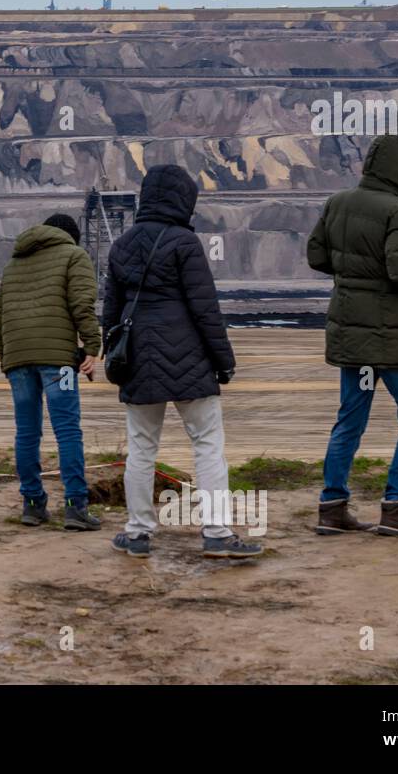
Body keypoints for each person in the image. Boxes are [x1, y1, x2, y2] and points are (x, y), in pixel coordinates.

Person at [102, 165, 262, 560]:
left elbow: (109, 315)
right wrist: (224, 361)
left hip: (138, 359)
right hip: (190, 359)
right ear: (182, 200)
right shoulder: (185, 243)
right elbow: (206, 310)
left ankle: (137, 534)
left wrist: (114, 357)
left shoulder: (120, 245)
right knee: (207, 446)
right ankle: (218, 534)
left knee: (141, 450)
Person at [307, 132, 398, 537]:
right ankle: (395, 510)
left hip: (351, 335)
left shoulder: (337, 202)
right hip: (395, 337)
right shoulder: (397, 211)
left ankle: (332, 508)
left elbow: (317, 256)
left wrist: (355, 277)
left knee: (350, 419)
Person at [0, 213, 102, 531]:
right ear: (71, 236)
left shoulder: (13, 265)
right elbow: (82, 304)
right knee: (67, 429)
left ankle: (32, 505)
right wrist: (93, 346)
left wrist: (8, 359)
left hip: (18, 360)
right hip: (60, 364)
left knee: (27, 433)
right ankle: (75, 506)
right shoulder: (73, 255)